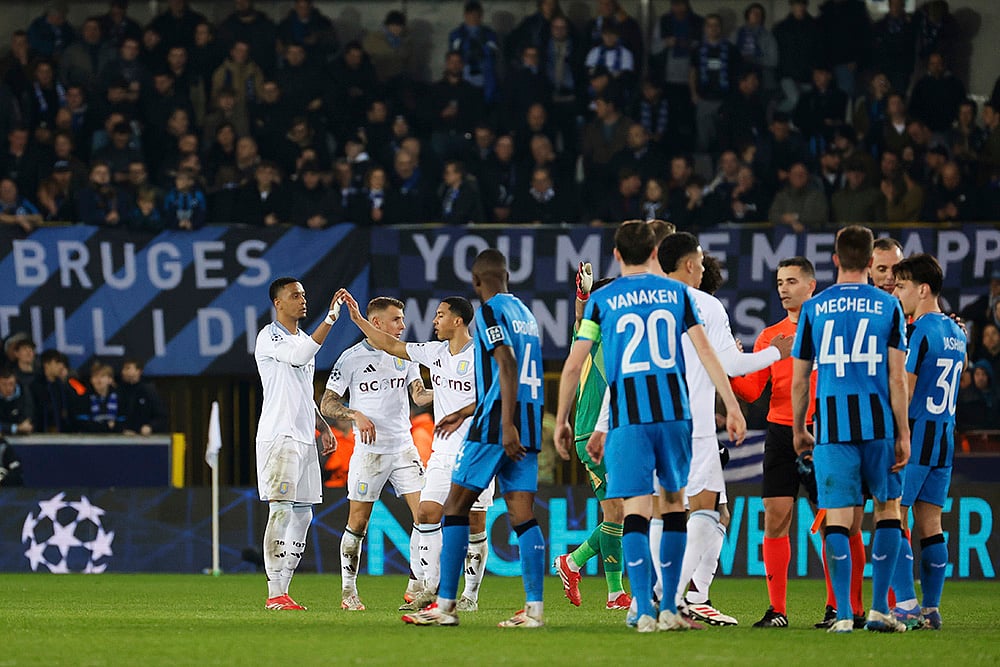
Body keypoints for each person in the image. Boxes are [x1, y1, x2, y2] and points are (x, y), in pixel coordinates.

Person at [555, 222, 747, 633]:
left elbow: (574, 362)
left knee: (637, 512)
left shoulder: (603, 300)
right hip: (674, 418)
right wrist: (731, 405)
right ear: (656, 254)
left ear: (618, 255)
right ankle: (670, 608)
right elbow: (707, 352)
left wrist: (561, 419)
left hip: (628, 421)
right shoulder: (679, 294)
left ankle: (642, 608)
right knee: (675, 508)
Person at [402, 249, 546, 628]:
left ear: (477, 281)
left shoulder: (490, 313)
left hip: (496, 426)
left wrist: (504, 423)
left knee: (454, 509)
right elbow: (515, 372)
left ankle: (445, 606)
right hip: (527, 426)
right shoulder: (528, 316)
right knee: (523, 516)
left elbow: (506, 363)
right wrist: (466, 411)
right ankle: (534, 610)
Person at [657, 232, 794, 627]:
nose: (703, 269)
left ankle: (663, 598)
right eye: (699, 262)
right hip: (693, 426)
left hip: (645, 421)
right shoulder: (704, 305)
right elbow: (732, 366)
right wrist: (774, 353)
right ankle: (677, 596)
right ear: (687, 264)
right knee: (712, 513)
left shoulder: (644, 300)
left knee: (659, 512)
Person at [339, 292, 493, 612]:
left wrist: (464, 411)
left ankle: (470, 596)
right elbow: (391, 345)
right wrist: (357, 320)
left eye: (440, 315)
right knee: (426, 513)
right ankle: (430, 587)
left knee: (475, 522)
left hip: (478, 449)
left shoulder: (482, 355)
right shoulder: (432, 351)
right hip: (442, 452)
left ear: (458, 320)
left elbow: (496, 397)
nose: (434, 321)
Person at [791, 225, 910, 634]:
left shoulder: (813, 308)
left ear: (836, 259)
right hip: (879, 426)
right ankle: (879, 610)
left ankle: (843, 614)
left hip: (831, 428)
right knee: (887, 510)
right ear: (869, 261)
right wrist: (904, 433)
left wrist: (798, 428)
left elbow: (801, 379)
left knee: (839, 519)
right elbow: (897, 378)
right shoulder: (889, 306)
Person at [321, 297, 432, 611]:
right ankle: (348, 592)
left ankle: (416, 585)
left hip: (403, 448)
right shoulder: (351, 358)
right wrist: (355, 415)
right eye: (396, 319)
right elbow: (327, 403)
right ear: (378, 323)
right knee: (358, 522)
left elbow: (420, 395)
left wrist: (454, 390)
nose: (402, 325)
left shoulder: (405, 354)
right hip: (369, 453)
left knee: (425, 516)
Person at [731, 257, 817, 627]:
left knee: (835, 523)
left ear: (811, 286)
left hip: (820, 431)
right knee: (775, 520)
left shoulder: (828, 328)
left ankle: (837, 608)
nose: (783, 288)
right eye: (780, 281)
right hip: (780, 432)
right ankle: (777, 610)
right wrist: (734, 366)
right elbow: (752, 392)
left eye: (792, 281)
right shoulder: (771, 336)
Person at [889, 254, 967, 631]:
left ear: (922, 289)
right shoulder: (958, 333)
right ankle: (932, 609)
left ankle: (904, 605)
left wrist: (894, 433)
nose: (897, 293)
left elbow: (907, 385)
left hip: (917, 436)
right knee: (931, 523)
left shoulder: (919, 331)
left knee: (894, 516)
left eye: (902, 286)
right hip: (944, 438)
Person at [254, 277, 340, 610]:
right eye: (294, 296)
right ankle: (274, 592)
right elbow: (299, 356)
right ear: (278, 303)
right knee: (281, 509)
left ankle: (284, 589)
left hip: (304, 437)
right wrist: (331, 317)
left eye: (304, 294)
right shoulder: (270, 336)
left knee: (303, 515)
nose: (302, 300)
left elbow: (303, 390)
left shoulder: (302, 338)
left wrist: (321, 424)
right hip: (280, 435)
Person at [552, 262, 631, 612]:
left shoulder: (623, 335)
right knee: (619, 511)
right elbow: (582, 317)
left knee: (620, 512)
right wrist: (583, 297)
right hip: (592, 433)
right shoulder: (593, 334)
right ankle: (609, 588)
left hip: (621, 431)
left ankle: (580, 567)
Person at [69, 363, 125, 433]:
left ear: (110, 380)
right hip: (91, 440)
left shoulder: (120, 397)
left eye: (102, 376)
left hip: (116, 439)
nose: (99, 380)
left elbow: (123, 422)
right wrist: (107, 425)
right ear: (91, 380)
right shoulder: (84, 398)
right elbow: (83, 423)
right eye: (95, 377)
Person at [118, 359, 168, 436]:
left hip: (145, 437)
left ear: (138, 371)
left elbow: (161, 416)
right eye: (123, 369)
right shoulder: (120, 390)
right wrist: (122, 429)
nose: (124, 372)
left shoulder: (148, 390)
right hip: (125, 436)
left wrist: (150, 426)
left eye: (128, 368)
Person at [30, 349, 70, 433]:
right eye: (57, 362)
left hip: (62, 436)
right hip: (40, 436)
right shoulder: (35, 386)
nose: (61, 366)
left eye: (61, 363)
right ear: (46, 364)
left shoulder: (62, 386)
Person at [0, 366, 34, 435]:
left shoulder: (25, 394)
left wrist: (27, 423)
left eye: (11, 384)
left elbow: (29, 415)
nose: (8, 388)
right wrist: (15, 428)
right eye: (4, 384)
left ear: (15, 383)